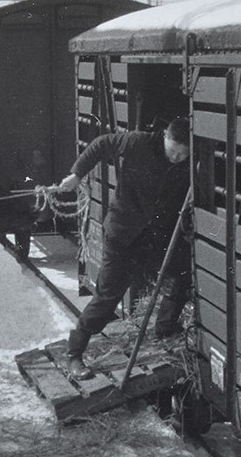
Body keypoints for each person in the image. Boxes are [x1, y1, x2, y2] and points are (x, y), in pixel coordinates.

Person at [57, 117, 192, 380]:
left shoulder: (187, 162)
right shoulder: (137, 142)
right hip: (122, 235)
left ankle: (165, 326)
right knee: (107, 298)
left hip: (154, 238)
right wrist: (77, 173)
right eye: (172, 150)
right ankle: (74, 353)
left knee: (183, 271)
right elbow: (101, 144)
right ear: (164, 135)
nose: (176, 157)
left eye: (182, 155)